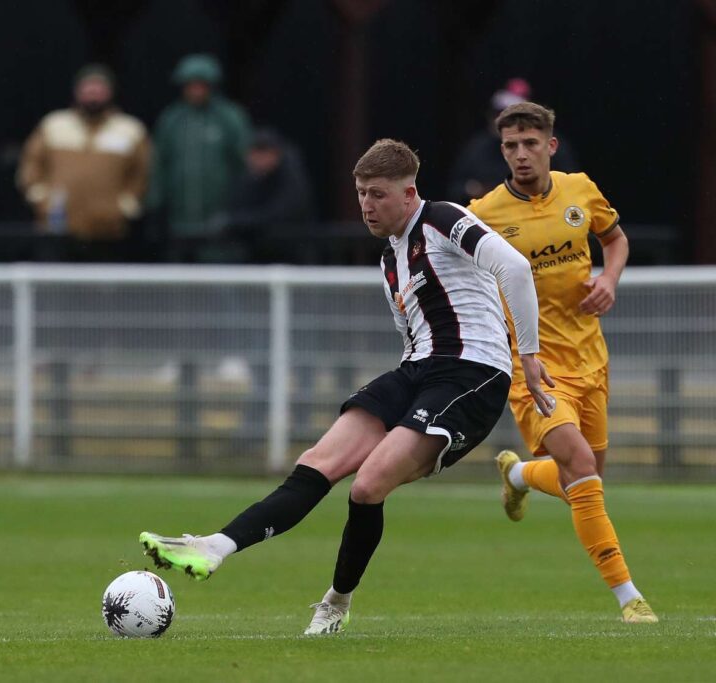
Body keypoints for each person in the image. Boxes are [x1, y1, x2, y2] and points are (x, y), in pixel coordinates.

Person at [139, 138, 554, 634]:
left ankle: (335, 603)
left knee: (367, 485)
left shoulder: (442, 218)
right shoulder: (389, 260)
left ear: (408, 192)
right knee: (317, 463)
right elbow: (412, 337)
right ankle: (215, 546)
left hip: (473, 373)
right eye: (360, 193)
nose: (366, 204)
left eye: (377, 194)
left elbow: (515, 267)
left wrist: (527, 355)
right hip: (417, 370)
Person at [468, 102, 657, 624]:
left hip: (591, 357)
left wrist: (609, 280)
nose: (521, 154)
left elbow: (614, 239)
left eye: (531, 143)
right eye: (511, 146)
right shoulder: (482, 214)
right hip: (533, 367)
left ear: (551, 145)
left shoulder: (579, 189)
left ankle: (522, 475)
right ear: (501, 151)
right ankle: (629, 597)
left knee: (588, 476)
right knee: (580, 468)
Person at [15, 64, 151, 252]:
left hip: (109, 230)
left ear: (110, 92)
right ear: (77, 92)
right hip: (58, 227)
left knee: (104, 280)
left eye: (99, 89)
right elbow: (30, 166)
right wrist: (41, 199)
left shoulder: (130, 129)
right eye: (88, 89)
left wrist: (126, 207)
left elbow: (143, 173)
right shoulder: (53, 125)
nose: (93, 94)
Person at [148, 53, 252, 261]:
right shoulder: (171, 119)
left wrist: (241, 210)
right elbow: (159, 164)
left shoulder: (230, 117)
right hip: (179, 220)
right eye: (190, 85)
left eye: (201, 85)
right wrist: (155, 204)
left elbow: (244, 163)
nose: (196, 91)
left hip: (219, 220)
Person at [447, 79, 578, 203]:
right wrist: (472, 189)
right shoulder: (477, 147)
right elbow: (456, 188)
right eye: (498, 113)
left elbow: (569, 185)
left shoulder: (549, 144)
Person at [215, 126, 314, 262]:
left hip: (292, 256)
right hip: (257, 256)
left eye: (263, 153)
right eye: (254, 153)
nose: (258, 160)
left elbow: (282, 213)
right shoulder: (247, 177)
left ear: (276, 154)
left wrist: (241, 222)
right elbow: (237, 207)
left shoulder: (292, 176)